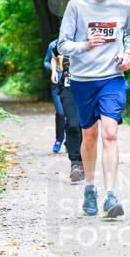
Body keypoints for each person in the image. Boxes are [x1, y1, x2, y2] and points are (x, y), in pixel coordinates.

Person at [57, 0, 130, 218]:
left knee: (110, 133)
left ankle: (111, 195)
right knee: (90, 136)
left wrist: (127, 54)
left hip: (112, 78)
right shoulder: (76, 5)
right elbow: (62, 44)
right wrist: (85, 45)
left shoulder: (124, 3)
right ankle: (90, 188)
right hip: (83, 81)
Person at [50, 38, 85, 182]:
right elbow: (54, 56)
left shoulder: (91, 36)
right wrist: (54, 71)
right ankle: (75, 163)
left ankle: (83, 162)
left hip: (87, 88)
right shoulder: (62, 42)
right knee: (72, 125)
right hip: (68, 88)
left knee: (84, 126)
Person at [43, 39, 66, 154]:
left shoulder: (76, 42)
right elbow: (46, 62)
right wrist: (53, 70)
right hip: (56, 84)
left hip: (71, 84)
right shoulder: (53, 44)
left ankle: (70, 141)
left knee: (72, 114)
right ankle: (59, 139)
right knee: (60, 112)